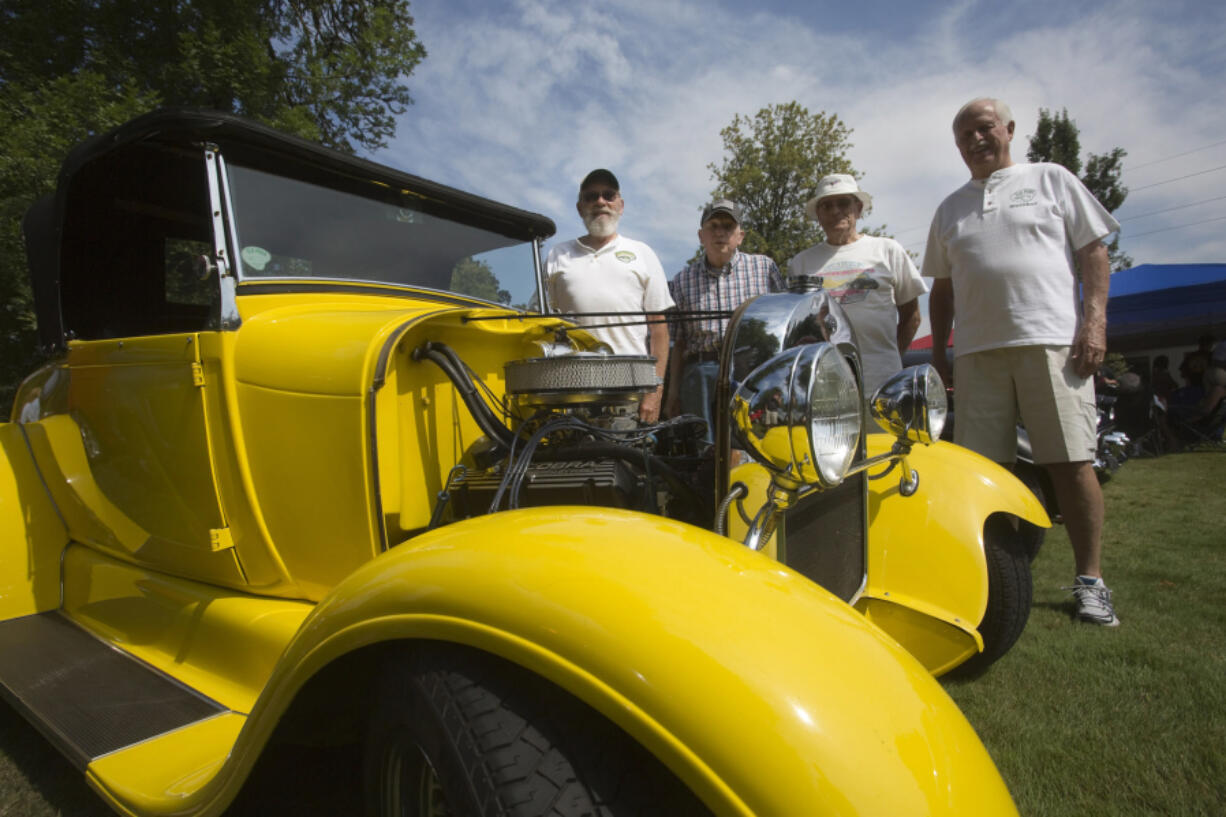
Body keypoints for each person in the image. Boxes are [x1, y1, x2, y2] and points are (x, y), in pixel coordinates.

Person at [922, 97, 1122, 627]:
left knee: (1070, 462)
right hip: (977, 355)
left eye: (984, 128)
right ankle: (991, 581)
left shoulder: (1051, 179)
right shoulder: (949, 209)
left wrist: (1094, 322)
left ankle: (1091, 582)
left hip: (1052, 342)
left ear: (1008, 130)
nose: (976, 140)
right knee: (982, 474)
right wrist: (940, 353)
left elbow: (1094, 252)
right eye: (964, 134)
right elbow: (941, 291)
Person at [545, 169, 674, 421]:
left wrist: (654, 393)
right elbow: (545, 328)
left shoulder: (642, 253)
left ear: (621, 205)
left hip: (631, 394)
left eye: (608, 195)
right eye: (591, 196)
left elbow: (660, 332)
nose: (600, 202)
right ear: (580, 207)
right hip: (572, 392)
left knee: (629, 461)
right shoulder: (556, 256)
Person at [788, 174, 927, 396]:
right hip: (823, 387)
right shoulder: (801, 263)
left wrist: (890, 357)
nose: (835, 211)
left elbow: (912, 315)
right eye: (827, 205)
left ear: (858, 208)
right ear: (818, 215)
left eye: (843, 203)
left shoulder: (888, 250)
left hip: (883, 383)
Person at [664, 199, 783, 440]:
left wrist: (781, 383)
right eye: (713, 226)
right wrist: (672, 393)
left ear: (740, 235)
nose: (720, 233)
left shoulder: (764, 268)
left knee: (752, 444)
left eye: (728, 227)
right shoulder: (682, 280)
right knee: (703, 451)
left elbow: (783, 329)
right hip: (700, 375)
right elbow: (678, 343)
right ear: (701, 235)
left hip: (752, 372)